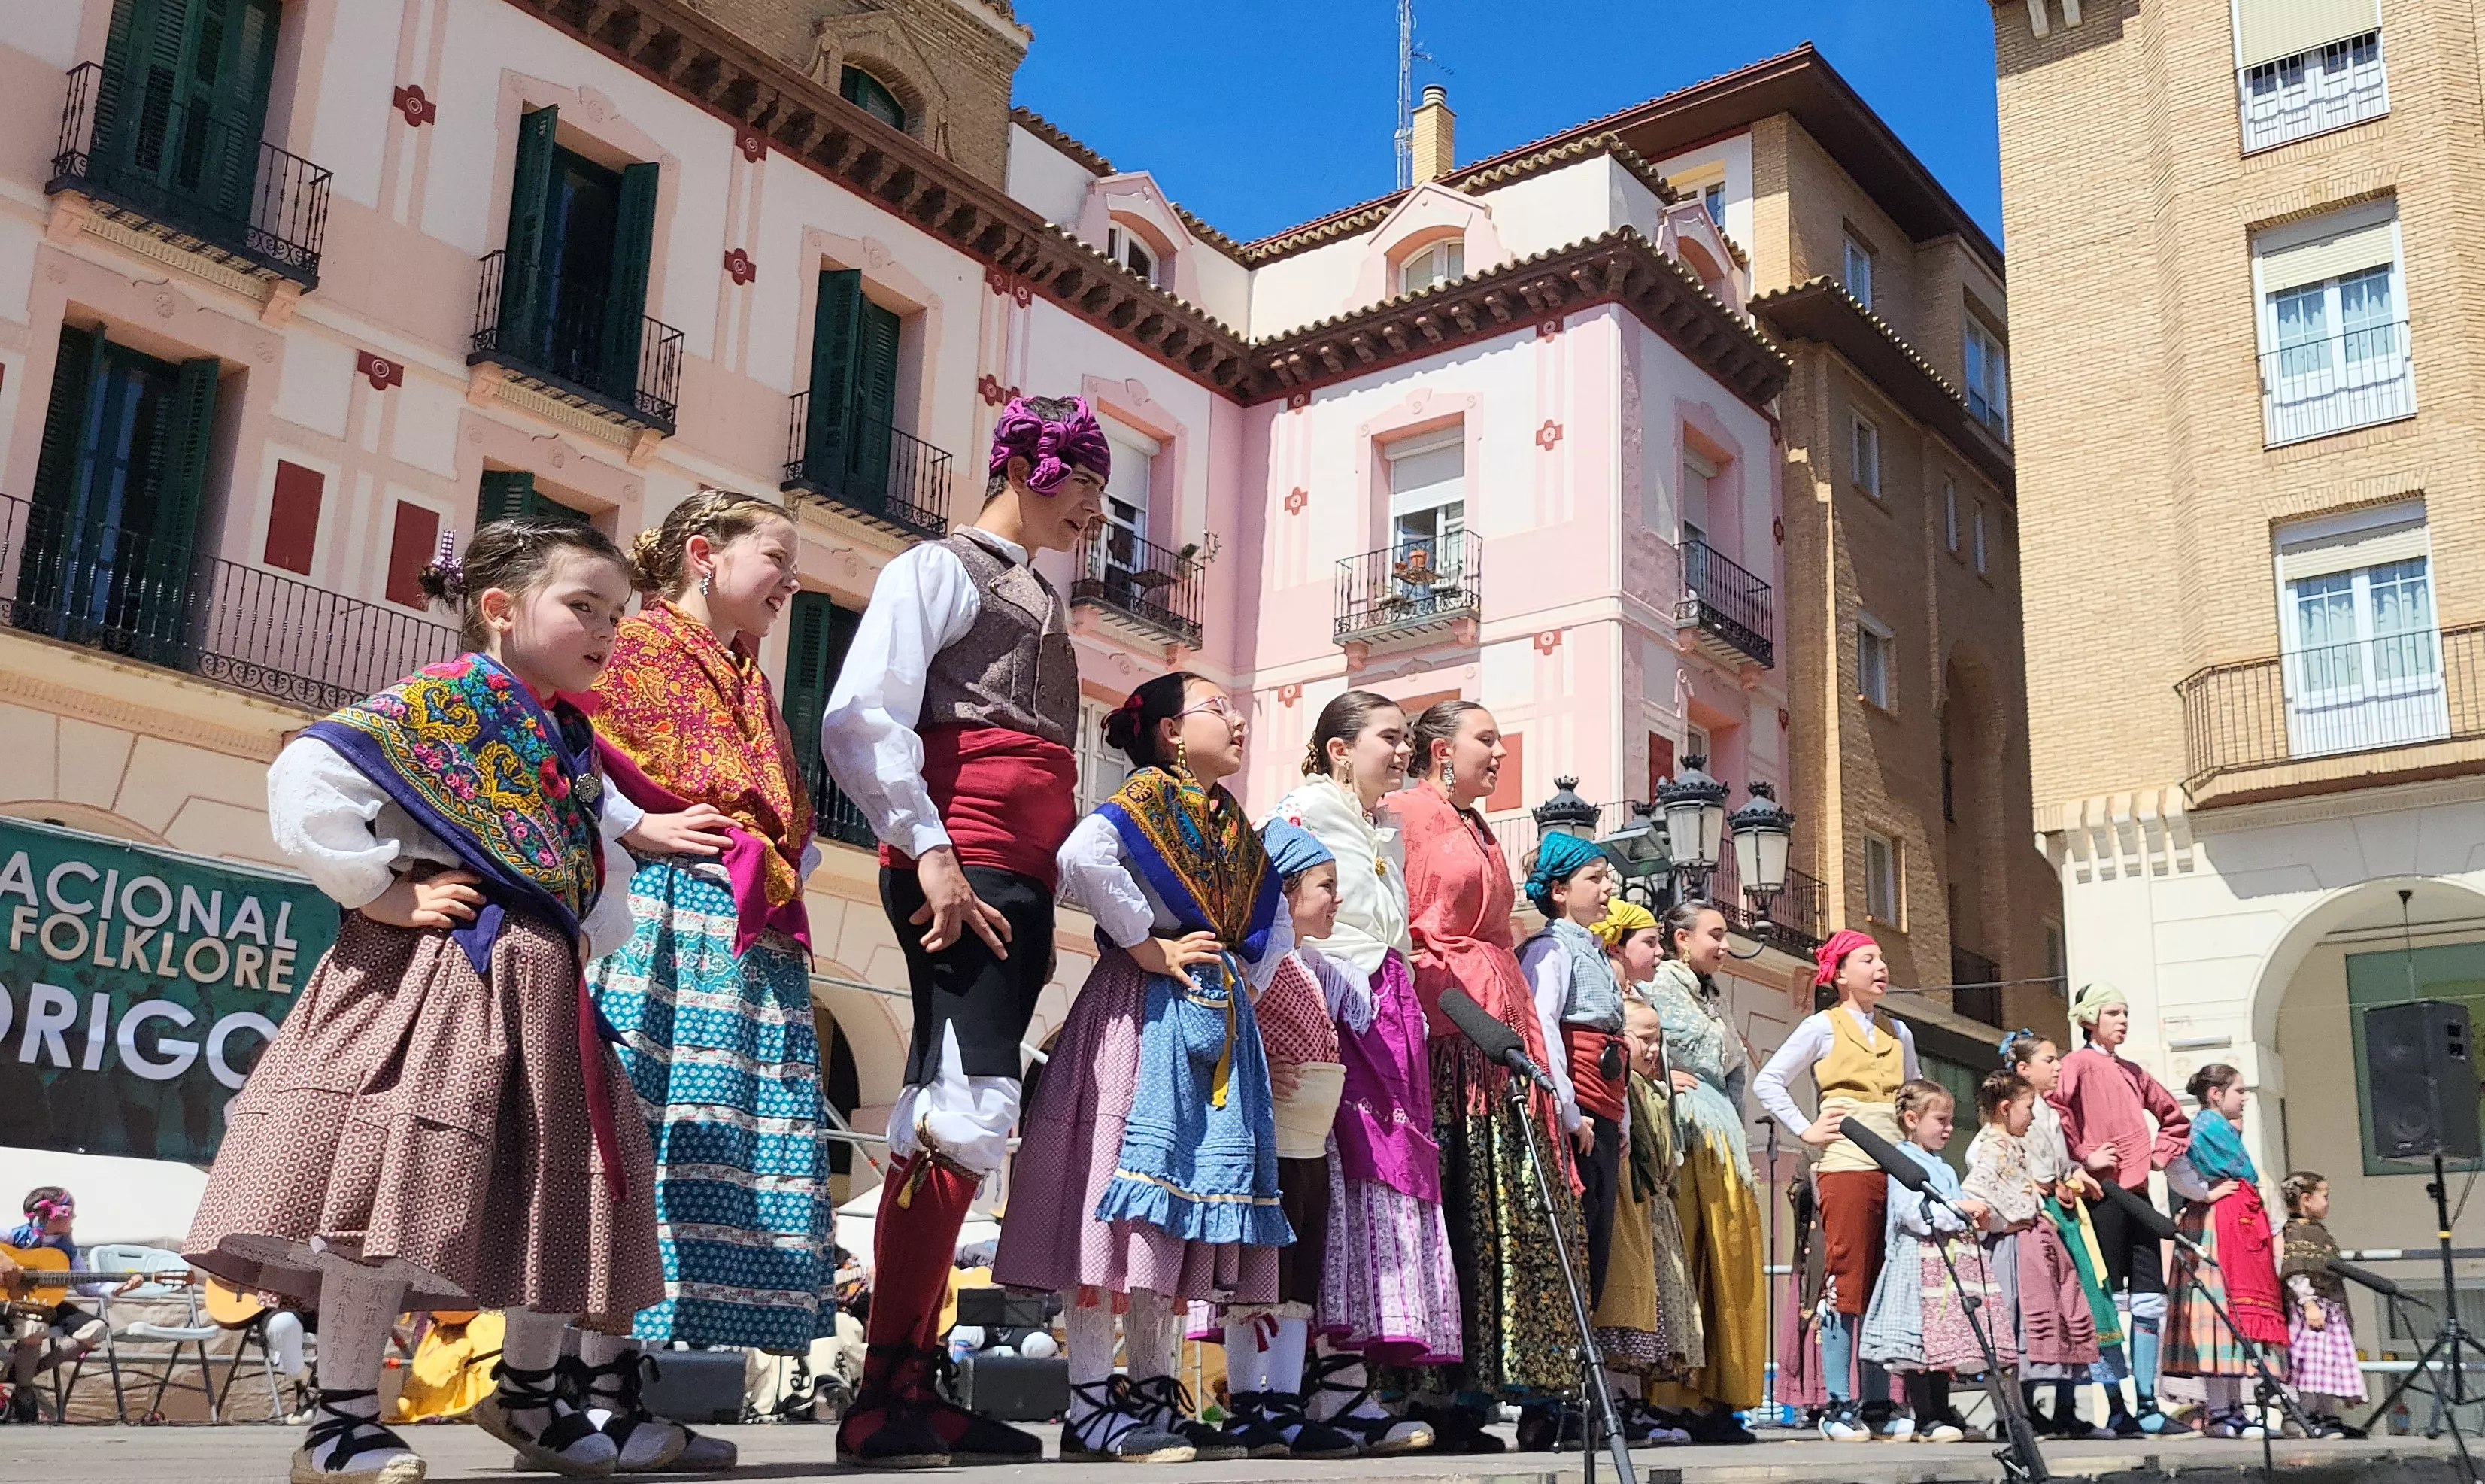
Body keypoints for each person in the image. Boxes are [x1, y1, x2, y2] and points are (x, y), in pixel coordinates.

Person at [186, 518, 678, 1484]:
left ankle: (528, 1392)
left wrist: (585, 924)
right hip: (439, 968)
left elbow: (596, 854)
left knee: (563, 1180)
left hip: (541, 983)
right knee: (395, 1181)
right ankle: (340, 1423)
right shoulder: (445, 698)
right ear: (500, 609)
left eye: (615, 615)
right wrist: (380, 887)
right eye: (584, 606)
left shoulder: (566, 731)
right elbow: (310, 767)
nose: (606, 630)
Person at [818, 394, 1107, 1469]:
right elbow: (861, 713)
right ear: (1032, 469)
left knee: (951, 1109)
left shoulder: (1033, 587)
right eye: (1084, 482)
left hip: (1012, 873)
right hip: (966, 865)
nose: (1094, 509)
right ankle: (885, 1393)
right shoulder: (937, 569)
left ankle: (907, 1384)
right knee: (968, 1102)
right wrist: (929, 850)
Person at [991, 672, 1291, 1464]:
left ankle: (1152, 1389)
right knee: (1111, 1200)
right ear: (1166, 732)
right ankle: (1091, 1400)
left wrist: (1236, 983)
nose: (1234, 718)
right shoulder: (1139, 805)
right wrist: (1145, 943)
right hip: (1136, 1007)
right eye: (1215, 708)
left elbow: (1278, 923)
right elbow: (1081, 856)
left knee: (1169, 1216)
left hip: (1205, 1018)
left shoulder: (1231, 824)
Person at [581, 490, 822, 1471]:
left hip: (737, 932)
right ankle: (583, 1391)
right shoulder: (636, 649)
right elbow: (572, 754)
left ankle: (616, 1390)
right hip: (663, 921)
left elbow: (777, 810)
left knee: (687, 1157)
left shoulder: (747, 680)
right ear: (702, 554)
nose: (793, 580)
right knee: (633, 1137)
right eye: (777, 556)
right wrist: (638, 829)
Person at [1391, 700, 1588, 1452]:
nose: (1500, 753)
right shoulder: (1404, 812)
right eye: (1486, 740)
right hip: (1446, 1029)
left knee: (1511, 1210)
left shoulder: (1477, 825)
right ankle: (1434, 1392)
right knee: (1460, 1210)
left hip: (1498, 1028)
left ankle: (1491, 1389)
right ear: (1441, 749)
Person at [1268, 691, 1452, 1453]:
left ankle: (1349, 1384)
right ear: (1339, 748)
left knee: (1381, 1186)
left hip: (1389, 1011)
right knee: (1330, 1186)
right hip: (1330, 1007)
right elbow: (1272, 906)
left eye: (1408, 738)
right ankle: (1311, 1384)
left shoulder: (1386, 822)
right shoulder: (1302, 807)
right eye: (1389, 737)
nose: (1404, 750)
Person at [1213, 819, 1361, 1461]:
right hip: (1266, 1140)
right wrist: (1266, 1069)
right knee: (1258, 1272)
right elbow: (1228, 1025)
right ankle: (1248, 1401)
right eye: (1327, 885)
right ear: (1289, 887)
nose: (1337, 899)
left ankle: (1285, 1401)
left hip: (1309, 1140)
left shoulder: (1306, 966)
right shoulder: (1256, 964)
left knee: (1300, 1275)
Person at [1755, 930, 1919, 1442]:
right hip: (1845, 1162)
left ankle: (1877, 1400)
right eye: (1868, 959)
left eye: (1882, 959)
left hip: (1895, 1165)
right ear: (1840, 973)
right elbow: (1769, 1080)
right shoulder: (1821, 1027)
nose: (1880, 967)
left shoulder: (1901, 1032)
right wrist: (1806, 1128)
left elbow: (1912, 1095)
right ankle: (1836, 1402)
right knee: (1843, 1278)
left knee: (1881, 1281)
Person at [1513, 833, 1625, 1452]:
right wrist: (1568, 1109)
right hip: (1576, 1118)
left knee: (1596, 1256)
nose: (1607, 888)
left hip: (1602, 1117)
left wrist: (1620, 1120)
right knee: (1568, 1255)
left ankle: (1579, 1394)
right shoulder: (1550, 950)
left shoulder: (1595, 953)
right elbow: (1544, 1032)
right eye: (1595, 878)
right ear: (1559, 892)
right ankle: (1547, 1404)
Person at [1638, 900, 1764, 1444]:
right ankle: (1676, 1396)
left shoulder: (1710, 993)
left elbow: (1733, 1063)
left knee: (1727, 1263)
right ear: (1681, 938)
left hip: (1722, 1135)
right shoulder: (1662, 984)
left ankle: (1718, 1393)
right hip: (1687, 1133)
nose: (1725, 944)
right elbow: (1705, 1050)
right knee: (1689, 1256)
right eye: (1715, 934)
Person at [2052, 982, 2189, 1435]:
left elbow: (2174, 1118)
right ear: (2090, 1018)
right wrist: (2085, 1155)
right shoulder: (2075, 1064)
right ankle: (2115, 1405)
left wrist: (2159, 1155)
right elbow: (2055, 1112)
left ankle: (2148, 1402)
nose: (2123, 1020)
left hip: (2138, 1196)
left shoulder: (2134, 1071)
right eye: (2114, 1012)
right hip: (2098, 1197)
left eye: (2126, 1012)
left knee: (2150, 1296)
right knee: (2103, 1301)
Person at [1858, 1079, 2010, 1445]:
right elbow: (1914, 1213)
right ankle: (1925, 1416)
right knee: (1919, 1344)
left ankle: (1942, 1412)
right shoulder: (1904, 1160)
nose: (1948, 1128)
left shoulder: (1944, 1166)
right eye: (1940, 1120)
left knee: (1943, 1344)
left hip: (1945, 1264)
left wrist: (1974, 1219)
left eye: (1950, 1120)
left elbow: (1951, 1210)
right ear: (1912, 1119)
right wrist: (1959, 1209)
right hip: (1916, 1263)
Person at [1589, 994, 1700, 1444]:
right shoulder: (1626, 1087)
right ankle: (1612, 1403)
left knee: (1641, 1312)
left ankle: (1631, 1402)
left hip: (1649, 1209)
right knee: (1619, 1309)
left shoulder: (1650, 1089)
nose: (1654, 1050)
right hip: (1626, 1205)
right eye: (1645, 1039)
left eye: (1659, 1041)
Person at [1965, 1071, 2099, 1435]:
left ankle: (2018, 1413)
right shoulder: (1992, 1145)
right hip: (2010, 1248)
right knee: (2006, 1326)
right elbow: (1976, 1194)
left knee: (2021, 1325)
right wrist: (2003, 1222)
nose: (2034, 1117)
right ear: (2006, 1108)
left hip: (2030, 1243)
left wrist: (2035, 1213)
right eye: (2028, 1108)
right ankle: (2009, 1414)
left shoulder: (2012, 1144)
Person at [2002, 1030, 2122, 1437]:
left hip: (2064, 1211)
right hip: (2036, 1216)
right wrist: (2039, 1188)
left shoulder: (2052, 1112)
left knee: (2078, 1305)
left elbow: (2059, 1160)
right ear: (2023, 1069)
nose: (2057, 1067)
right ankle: (2027, 1409)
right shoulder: (2014, 1114)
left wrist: (2075, 1173)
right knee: (2040, 1309)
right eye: (2048, 1060)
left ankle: (2068, 1406)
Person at [2162, 1064, 2287, 1439]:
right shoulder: (2197, 1129)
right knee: (2219, 1315)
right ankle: (2218, 1412)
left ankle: (2234, 1408)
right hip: (2215, 1226)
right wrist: (2204, 1193)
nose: (2245, 1097)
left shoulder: (2223, 1132)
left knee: (2236, 1316)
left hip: (2237, 1222)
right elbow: (2172, 1162)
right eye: (2238, 1090)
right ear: (2215, 1094)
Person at [4, 1189, 137, 1422]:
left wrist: (118, 1288)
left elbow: (87, 1286)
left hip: (46, 1303)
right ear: (51, 1215)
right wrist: (4, 1260)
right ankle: (24, 1392)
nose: (73, 1218)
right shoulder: (14, 1235)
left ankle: (20, 1374)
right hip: (11, 1305)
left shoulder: (67, 1250)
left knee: (96, 1329)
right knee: (34, 1329)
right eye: (69, 1213)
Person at [2278, 1171, 2362, 1437]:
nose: (2328, 1202)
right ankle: (2308, 1414)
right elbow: (2295, 1269)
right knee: (2311, 1364)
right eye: (2324, 1196)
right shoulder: (2297, 1231)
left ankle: (2329, 1415)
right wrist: (2308, 1303)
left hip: (2331, 1309)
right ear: (2306, 1199)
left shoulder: (2317, 1231)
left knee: (2329, 1364)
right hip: (2312, 1309)